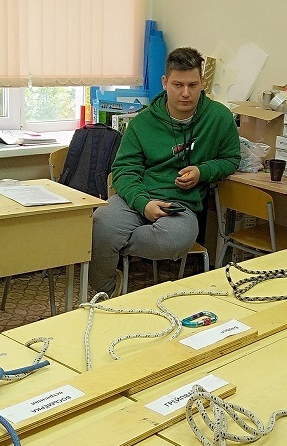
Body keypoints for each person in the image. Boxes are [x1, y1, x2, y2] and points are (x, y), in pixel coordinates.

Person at [89, 47, 241, 297]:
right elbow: (124, 171)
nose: (185, 93)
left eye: (192, 85)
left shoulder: (219, 117)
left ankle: (113, 243)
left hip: (181, 206)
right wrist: (143, 203)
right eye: (177, 85)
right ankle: (107, 291)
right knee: (101, 223)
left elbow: (231, 159)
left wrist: (202, 171)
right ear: (165, 82)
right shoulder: (142, 122)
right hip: (137, 197)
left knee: (172, 241)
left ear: (202, 83)